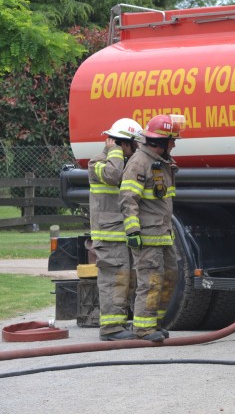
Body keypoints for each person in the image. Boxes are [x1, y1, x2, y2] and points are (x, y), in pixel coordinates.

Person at [119, 113, 185, 342]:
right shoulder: (139, 162)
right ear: (159, 142)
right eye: (171, 140)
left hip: (163, 233)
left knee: (170, 277)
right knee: (150, 280)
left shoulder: (160, 163)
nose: (174, 144)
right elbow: (128, 199)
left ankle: (154, 323)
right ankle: (143, 328)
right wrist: (133, 231)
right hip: (147, 237)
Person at [90, 117, 143, 341]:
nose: (137, 149)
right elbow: (113, 177)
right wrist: (115, 152)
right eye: (134, 144)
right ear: (122, 143)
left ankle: (120, 324)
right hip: (108, 235)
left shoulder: (124, 162)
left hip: (120, 234)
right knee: (114, 279)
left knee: (126, 280)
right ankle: (111, 328)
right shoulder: (98, 163)